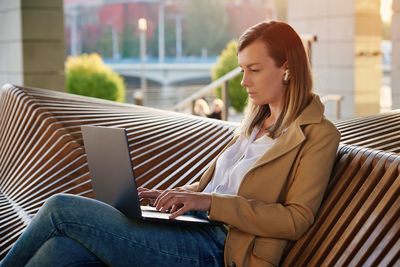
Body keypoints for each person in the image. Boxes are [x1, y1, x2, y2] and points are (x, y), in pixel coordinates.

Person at [0, 20, 340, 267]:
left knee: (61, 208)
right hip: (192, 232)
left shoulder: (318, 134)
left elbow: (296, 219)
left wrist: (207, 202)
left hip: (222, 251)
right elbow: (220, 187)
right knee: (61, 251)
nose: (243, 81)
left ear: (287, 68)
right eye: (241, 69)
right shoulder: (253, 123)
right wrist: (168, 197)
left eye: (253, 69)